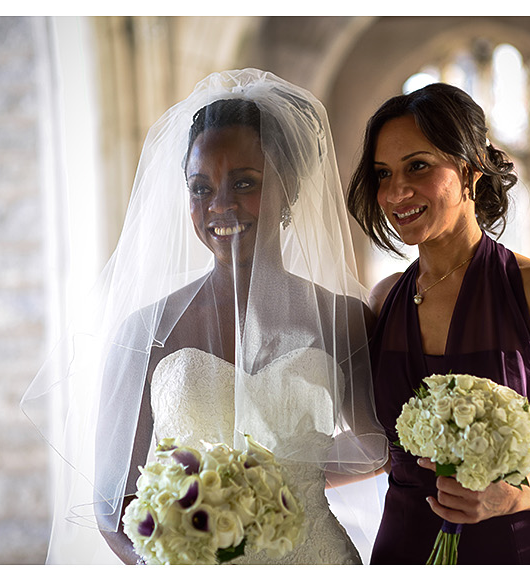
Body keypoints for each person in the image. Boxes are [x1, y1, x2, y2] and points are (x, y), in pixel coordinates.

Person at [23, 69, 388, 565]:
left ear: (291, 188)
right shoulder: (146, 332)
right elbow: (115, 505)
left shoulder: (342, 318)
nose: (221, 206)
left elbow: (375, 442)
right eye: (200, 188)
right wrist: (176, 561)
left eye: (244, 182)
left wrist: (288, 469)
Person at [347, 82, 530, 564]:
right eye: (383, 173)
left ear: (470, 170)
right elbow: (371, 448)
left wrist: (518, 494)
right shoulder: (383, 303)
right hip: (405, 552)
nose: (396, 191)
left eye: (418, 165)